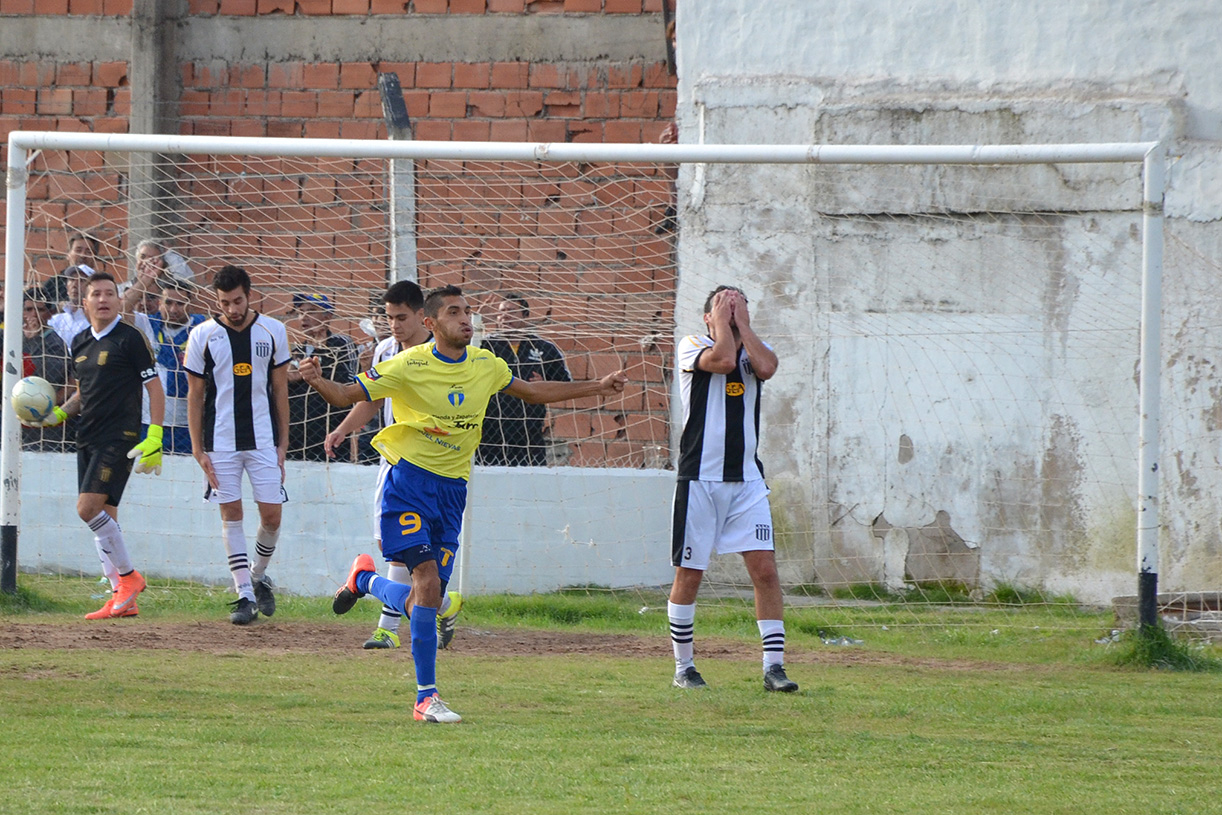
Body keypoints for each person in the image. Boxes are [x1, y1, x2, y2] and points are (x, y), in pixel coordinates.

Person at [301, 284, 628, 723]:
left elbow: (532, 393)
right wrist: (317, 379)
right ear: (432, 324)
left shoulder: (485, 365)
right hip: (410, 482)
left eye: (468, 311)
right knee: (427, 580)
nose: (466, 319)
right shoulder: (406, 365)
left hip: (454, 489)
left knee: (426, 600)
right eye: (455, 312)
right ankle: (425, 699)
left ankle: (367, 582)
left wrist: (598, 386)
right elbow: (345, 396)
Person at [667, 285, 799, 693]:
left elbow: (769, 367)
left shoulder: (756, 349)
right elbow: (722, 361)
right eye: (723, 304)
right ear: (707, 317)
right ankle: (684, 668)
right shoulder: (694, 345)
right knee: (690, 574)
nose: (732, 308)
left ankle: (773, 668)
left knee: (765, 571)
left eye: (739, 302)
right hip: (700, 480)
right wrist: (725, 324)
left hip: (747, 482)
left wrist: (742, 324)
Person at [322, 281, 464, 651]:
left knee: (421, 555)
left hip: (440, 469)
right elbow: (371, 398)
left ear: (423, 316)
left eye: (401, 317)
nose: (395, 325)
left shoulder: (442, 352)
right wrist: (342, 429)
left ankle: (386, 595)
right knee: (397, 547)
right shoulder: (386, 349)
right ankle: (397, 624)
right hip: (397, 465)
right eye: (388, 318)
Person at [26, 271, 165, 619]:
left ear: (118, 300)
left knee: (87, 510)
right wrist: (56, 414)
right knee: (106, 518)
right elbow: (82, 394)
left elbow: (154, 388)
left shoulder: (129, 338)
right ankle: (121, 597)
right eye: (96, 295)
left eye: (109, 294)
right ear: (84, 302)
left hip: (119, 437)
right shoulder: (82, 341)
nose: (103, 300)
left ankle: (130, 579)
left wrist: (156, 434)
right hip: (86, 436)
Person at [184, 265, 290, 625]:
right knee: (231, 515)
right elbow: (195, 395)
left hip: (263, 440)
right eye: (225, 302)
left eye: (238, 301)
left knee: (272, 516)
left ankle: (258, 577)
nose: (232, 309)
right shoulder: (201, 336)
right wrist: (198, 449)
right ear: (217, 301)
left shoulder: (273, 331)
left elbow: (280, 390)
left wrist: (283, 443)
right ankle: (243, 595)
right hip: (220, 442)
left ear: (250, 295)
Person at [476, 293, 572, 466]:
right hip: (488, 435)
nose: (504, 316)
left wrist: (544, 384)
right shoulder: (484, 346)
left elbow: (566, 385)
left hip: (529, 436)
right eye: (501, 311)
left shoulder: (544, 348)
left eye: (511, 311)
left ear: (526, 316)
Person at [286, 293, 357, 462]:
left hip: (329, 435)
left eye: (311, 312)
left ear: (328, 316)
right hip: (297, 439)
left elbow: (348, 382)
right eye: (301, 312)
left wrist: (320, 359)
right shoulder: (298, 352)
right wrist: (291, 378)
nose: (304, 317)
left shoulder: (341, 344)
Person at [145, 280, 207, 454]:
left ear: (191, 304)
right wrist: (145, 278)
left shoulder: (202, 330)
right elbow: (122, 310)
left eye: (180, 303)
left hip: (185, 425)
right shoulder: (149, 325)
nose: (173, 309)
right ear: (159, 303)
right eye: (168, 303)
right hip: (148, 423)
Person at [19, 289, 71, 451]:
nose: (33, 314)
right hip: (14, 418)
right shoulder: (10, 336)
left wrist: (33, 339)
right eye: (28, 309)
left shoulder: (55, 342)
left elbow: (44, 375)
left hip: (46, 424)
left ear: (49, 314)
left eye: (39, 309)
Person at [41, 231, 101, 308]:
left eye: (88, 252)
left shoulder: (100, 284)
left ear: (95, 258)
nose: (83, 255)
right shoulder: (53, 284)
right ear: (68, 254)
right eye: (78, 250)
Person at [48, 264, 94, 346]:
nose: (75, 285)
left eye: (82, 280)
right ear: (66, 286)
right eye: (72, 279)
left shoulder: (96, 323)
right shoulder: (56, 321)